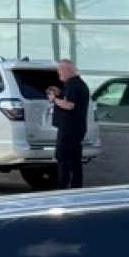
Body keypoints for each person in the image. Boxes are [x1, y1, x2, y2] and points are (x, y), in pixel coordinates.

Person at [45, 59, 90, 189]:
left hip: (69, 129)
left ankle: (62, 186)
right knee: (75, 159)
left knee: (63, 157)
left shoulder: (72, 84)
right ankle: (76, 186)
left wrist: (54, 99)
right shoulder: (80, 84)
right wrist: (59, 94)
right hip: (77, 128)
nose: (58, 72)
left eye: (60, 69)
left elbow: (69, 105)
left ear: (69, 70)